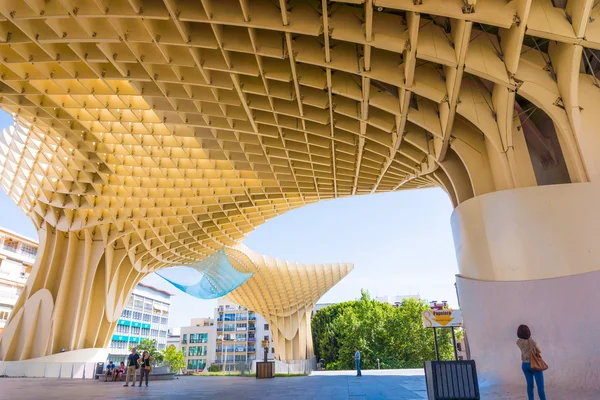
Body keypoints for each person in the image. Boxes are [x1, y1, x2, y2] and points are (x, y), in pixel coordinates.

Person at [517, 325, 546, 400]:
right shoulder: (531, 341)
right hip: (534, 365)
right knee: (540, 386)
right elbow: (539, 351)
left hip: (524, 365)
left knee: (530, 386)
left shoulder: (518, 342)